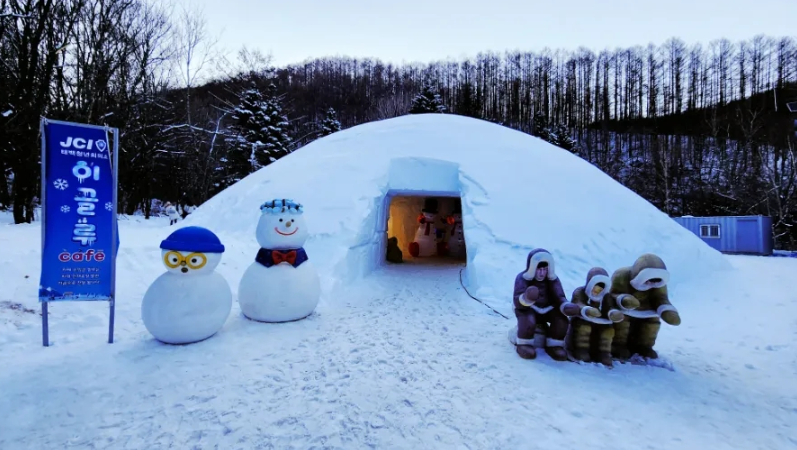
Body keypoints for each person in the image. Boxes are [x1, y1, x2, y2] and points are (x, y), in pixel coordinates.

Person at [512, 248, 595, 361]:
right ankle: (524, 343)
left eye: (544, 270)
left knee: (561, 320)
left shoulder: (553, 280)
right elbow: (517, 299)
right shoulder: (522, 278)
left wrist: (565, 306)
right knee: (528, 320)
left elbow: (559, 296)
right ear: (532, 268)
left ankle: (554, 345)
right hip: (528, 308)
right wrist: (527, 298)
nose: (542, 273)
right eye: (539, 269)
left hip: (547, 309)